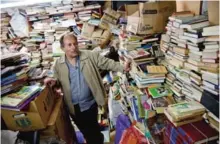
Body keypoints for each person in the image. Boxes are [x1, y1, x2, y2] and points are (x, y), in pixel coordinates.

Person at [44, 32, 131, 144]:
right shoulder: (58, 64)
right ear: (63, 48)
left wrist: (122, 67)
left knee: (93, 131)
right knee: (84, 130)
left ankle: (96, 140)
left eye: (75, 44)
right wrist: (53, 81)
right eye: (69, 45)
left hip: (89, 104)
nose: (73, 47)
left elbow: (106, 63)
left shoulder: (89, 55)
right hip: (73, 107)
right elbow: (56, 79)